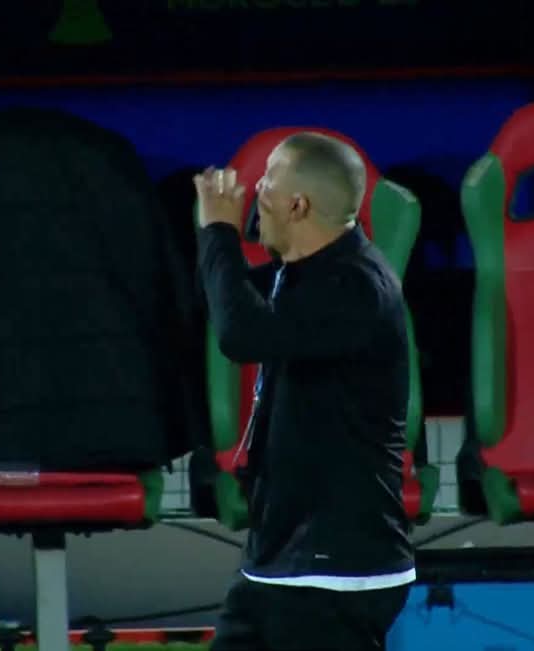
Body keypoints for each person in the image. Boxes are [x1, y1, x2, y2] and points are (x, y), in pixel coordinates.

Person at [194, 132, 414, 651]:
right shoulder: (300, 275)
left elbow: (240, 335)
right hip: (281, 562)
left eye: (268, 180)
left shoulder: (356, 287)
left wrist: (220, 231)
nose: (255, 191)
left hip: (336, 569)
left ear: (298, 205)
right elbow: (227, 301)